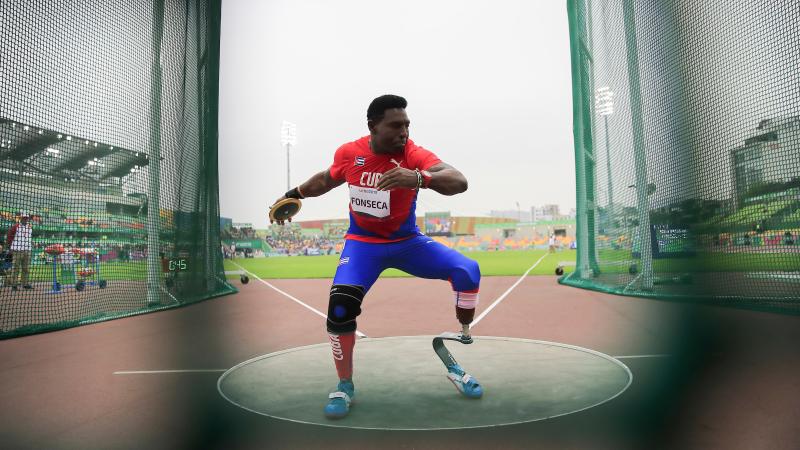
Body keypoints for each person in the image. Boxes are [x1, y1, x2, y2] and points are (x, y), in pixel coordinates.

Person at [271, 95, 482, 419]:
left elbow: (459, 181)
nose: (404, 132)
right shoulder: (350, 153)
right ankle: (344, 385)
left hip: (407, 242)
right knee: (340, 306)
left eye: (407, 125)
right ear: (373, 126)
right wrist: (293, 194)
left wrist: (419, 178)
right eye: (396, 126)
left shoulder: (414, 155)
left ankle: (462, 335)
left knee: (468, 271)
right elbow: (326, 179)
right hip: (363, 245)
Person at [6, 211, 34, 291]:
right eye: (24, 218)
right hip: (17, 250)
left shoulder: (29, 227)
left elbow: (28, 238)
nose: (25, 219)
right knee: (15, 268)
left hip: (27, 250)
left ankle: (25, 284)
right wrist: (9, 247)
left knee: (26, 268)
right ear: (21, 218)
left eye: (26, 218)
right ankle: (14, 285)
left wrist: (31, 243)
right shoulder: (15, 226)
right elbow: (9, 237)